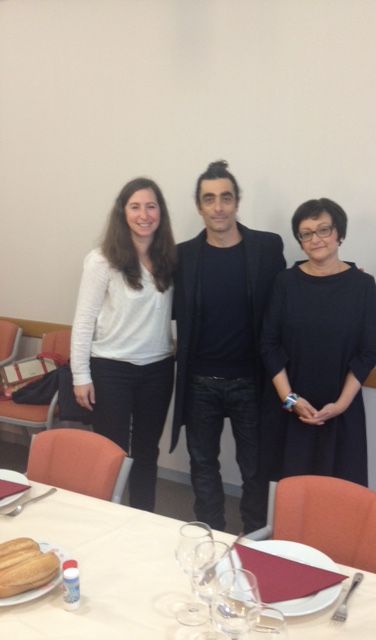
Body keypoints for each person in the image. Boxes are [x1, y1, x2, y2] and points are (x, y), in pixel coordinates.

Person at [170, 160, 286, 532]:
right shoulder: (183, 256)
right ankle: (211, 537)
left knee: (256, 469)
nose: (218, 207)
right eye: (209, 199)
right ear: (199, 206)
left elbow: (291, 292)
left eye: (226, 197)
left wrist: (344, 271)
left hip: (251, 382)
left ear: (237, 202)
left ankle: (255, 539)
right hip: (200, 383)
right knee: (203, 465)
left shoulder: (266, 247)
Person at [71, 177, 176, 511]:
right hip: (111, 369)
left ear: (160, 212)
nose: (144, 215)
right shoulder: (101, 260)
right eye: (135, 207)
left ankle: (143, 518)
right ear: (123, 212)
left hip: (158, 369)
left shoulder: (169, 259)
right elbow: (84, 320)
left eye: (151, 206)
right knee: (111, 452)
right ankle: (106, 518)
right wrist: (80, 375)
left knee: (147, 452)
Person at [260, 197, 376, 486]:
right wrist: (290, 400)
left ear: (340, 234)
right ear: (300, 242)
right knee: (288, 492)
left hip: (341, 410)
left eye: (324, 230)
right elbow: (269, 345)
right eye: (306, 233)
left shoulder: (363, 285)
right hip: (290, 409)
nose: (316, 239)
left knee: (337, 494)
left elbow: (367, 352)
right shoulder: (285, 282)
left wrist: (340, 405)